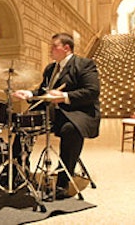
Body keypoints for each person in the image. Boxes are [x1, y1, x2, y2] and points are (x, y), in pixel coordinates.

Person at [13, 33, 100, 199]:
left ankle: (62, 181)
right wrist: (29, 93)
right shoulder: (51, 68)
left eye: (54, 46)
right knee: (22, 122)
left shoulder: (84, 64)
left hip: (79, 111)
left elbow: (92, 92)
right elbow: (43, 91)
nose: (51, 50)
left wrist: (64, 97)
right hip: (54, 113)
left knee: (71, 129)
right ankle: (19, 170)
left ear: (66, 48)